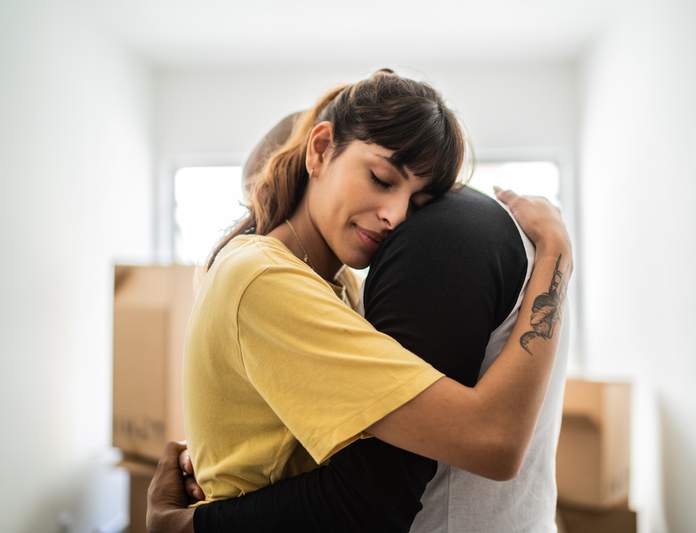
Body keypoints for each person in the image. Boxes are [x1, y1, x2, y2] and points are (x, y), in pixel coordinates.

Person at [150, 69, 572, 530]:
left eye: (417, 202)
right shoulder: (263, 279)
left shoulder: (337, 284)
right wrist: (555, 254)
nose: (394, 215)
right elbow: (494, 441)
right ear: (320, 149)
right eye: (381, 178)